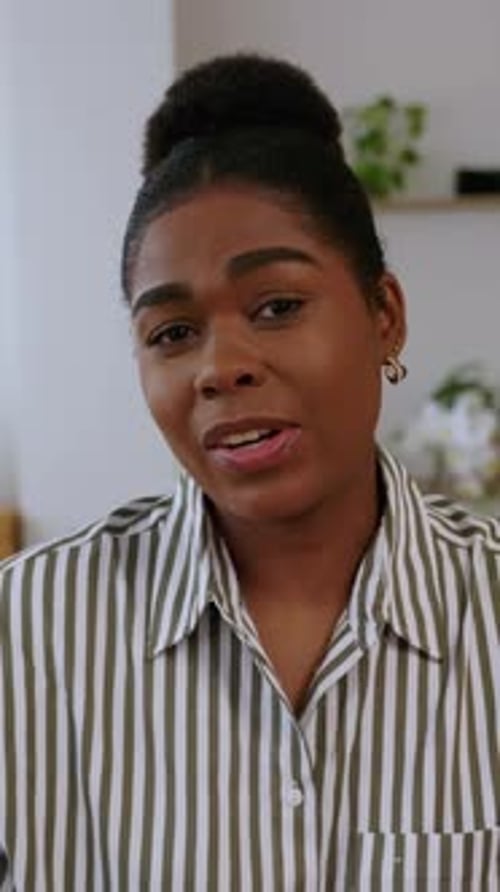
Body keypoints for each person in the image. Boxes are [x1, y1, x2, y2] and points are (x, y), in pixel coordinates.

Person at [0, 53, 498, 892]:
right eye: (172, 334)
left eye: (277, 306)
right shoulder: (25, 637)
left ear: (384, 316)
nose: (218, 367)